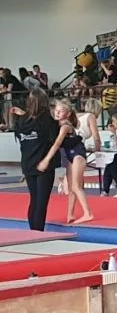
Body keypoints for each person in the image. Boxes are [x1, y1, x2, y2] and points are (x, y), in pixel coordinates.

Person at [10, 89, 62, 231]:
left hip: (28, 163)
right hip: (43, 163)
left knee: (34, 199)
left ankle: (33, 230)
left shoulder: (22, 120)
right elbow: (55, 140)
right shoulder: (48, 120)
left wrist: (22, 114)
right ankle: (37, 231)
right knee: (41, 202)